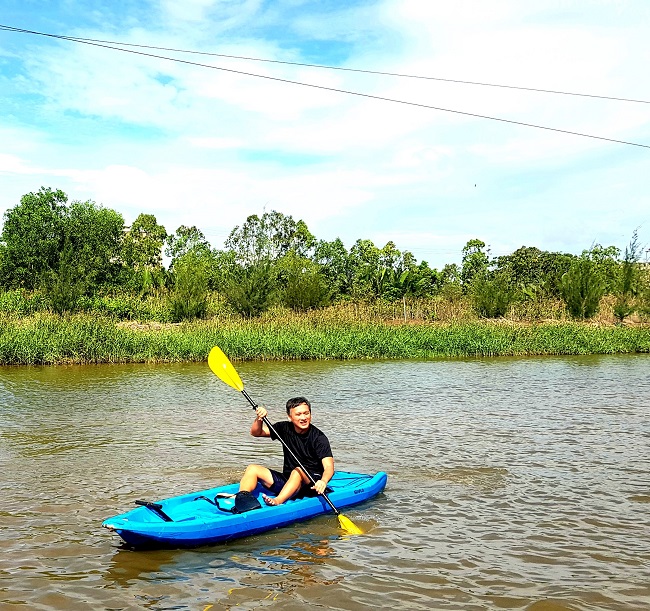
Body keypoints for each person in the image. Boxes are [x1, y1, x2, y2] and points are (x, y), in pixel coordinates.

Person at [238, 396, 334, 506]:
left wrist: (323, 481)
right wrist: (259, 418)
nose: (303, 417)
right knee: (252, 469)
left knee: (298, 471)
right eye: (298, 414)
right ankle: (242, 497)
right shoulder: (284, 428)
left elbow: (329, 467)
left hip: (312, 484)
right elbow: (256, 432)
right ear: (289, 417)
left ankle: (278, 501)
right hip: (288, 481)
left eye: (306, 413)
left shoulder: (319, 438)